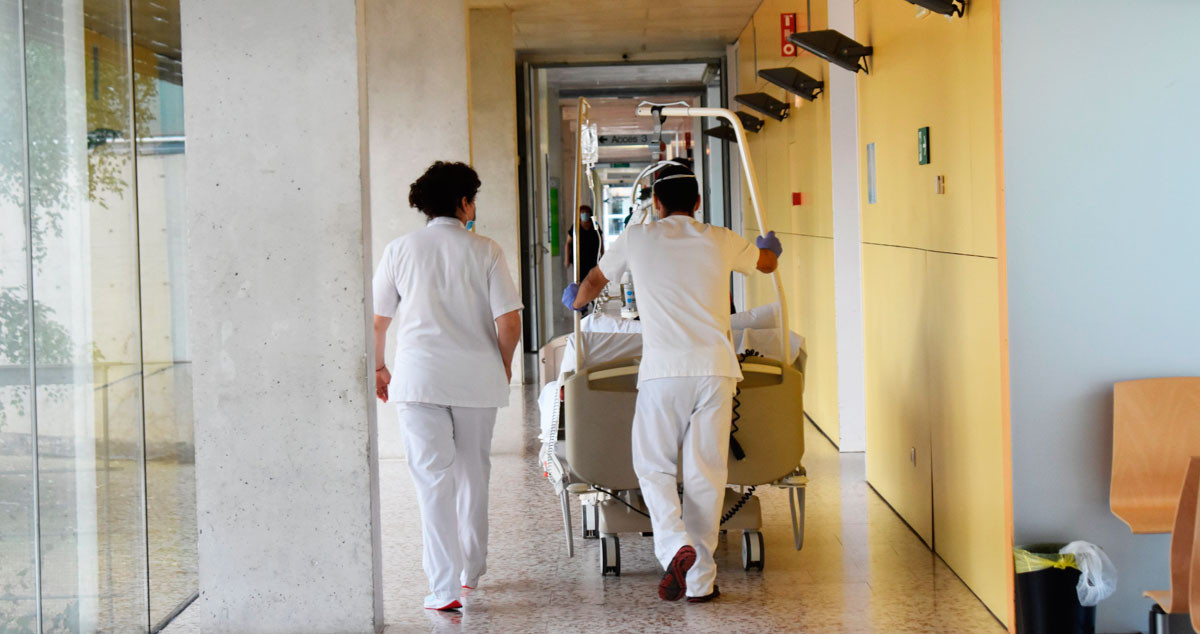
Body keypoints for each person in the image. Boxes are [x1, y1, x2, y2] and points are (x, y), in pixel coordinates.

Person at [561, 163, 782, 603]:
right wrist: (769, 245)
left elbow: (593, 281)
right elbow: (766, 264)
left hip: (663, 372)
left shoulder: (639, 238)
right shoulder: (719, 239)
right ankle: (700, 582)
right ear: (697, 203)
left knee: (653, 467)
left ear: (656, 204)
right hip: (716, 371)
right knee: (706, 474)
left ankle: (672, 544)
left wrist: (576, 299)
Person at [372, 161, 523, 611]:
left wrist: (380, 368)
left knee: (431, 482)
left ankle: (442, 590)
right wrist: (502, 365)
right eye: (472, 198)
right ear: (463, 202)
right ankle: (469, 572)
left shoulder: (399, 250)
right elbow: (509, 321)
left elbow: (378, 321)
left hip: (418, 381)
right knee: (473, 474)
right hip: (476, 379)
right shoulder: (487, 250)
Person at [564, 204, 603, 281]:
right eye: (582, 213)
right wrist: (567, 260)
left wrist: (602, 256)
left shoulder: (595, 224)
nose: (584, 214)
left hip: (593, 258)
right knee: (581, 280)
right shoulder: (575, 226)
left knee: (593, 279)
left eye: (586, 213)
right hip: (579, 259)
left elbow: (600, 240)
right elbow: (568, 243)